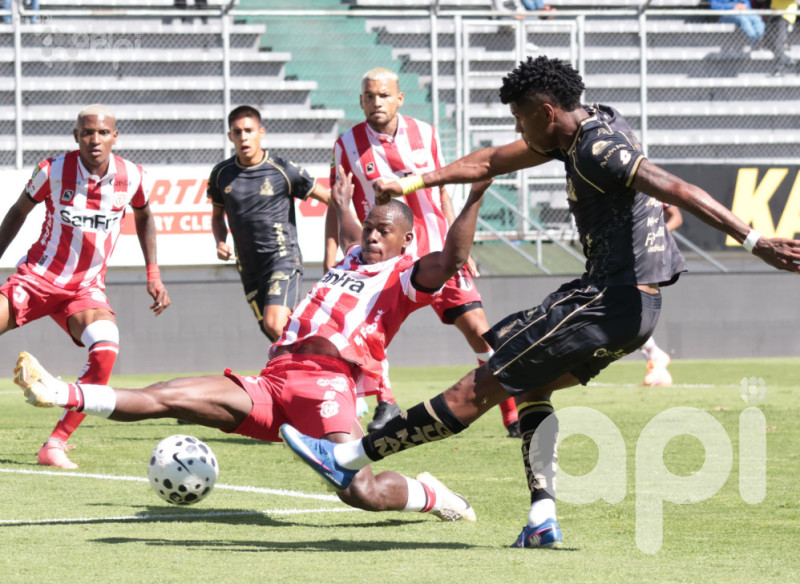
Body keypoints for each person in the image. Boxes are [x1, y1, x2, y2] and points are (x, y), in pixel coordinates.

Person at [277, 56, 800, 549]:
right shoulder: (579, 130)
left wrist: (756, 241)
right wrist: (414, 180)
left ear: (546, 112)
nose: (518, 131)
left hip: (605, 299)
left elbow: (674, 186)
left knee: (479, 386)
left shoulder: (595, 147)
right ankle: (541, 516)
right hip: (631, 309)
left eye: (521, 119)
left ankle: (349, 455)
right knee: (533, 388)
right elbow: (488, 161)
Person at [14, 169, 493, 522]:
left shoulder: (406, 275)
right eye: (369, 226)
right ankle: (62, 393)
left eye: (382, 230)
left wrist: (472, 197)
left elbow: (452, 257)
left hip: (326, 387)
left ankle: (431, 495)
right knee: (168, 396)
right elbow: (351, 232)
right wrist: (343, 207)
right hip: (272, 382)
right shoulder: (353, 256)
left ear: (405, 241)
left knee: (361, 493)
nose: (370, 234)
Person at [329, 67, 520, 438]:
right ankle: (385, 404)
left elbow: (443, 192)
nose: (376, 102)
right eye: (369, 95)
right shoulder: (346, 144)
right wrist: (333, 252)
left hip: (435, 251)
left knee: (480, 331)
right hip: (385, 261)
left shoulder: (426, 134)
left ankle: (511, 412)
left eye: (384, 95)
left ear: (399, 98)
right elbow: (338, 203)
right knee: (369, 332)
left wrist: (461, 248)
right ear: (361, 100)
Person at [0, 104, 170, 469]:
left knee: (106, 349)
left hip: (85, 289)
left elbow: (145, 218)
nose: (95, 139)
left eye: (103, 132)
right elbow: (17, 212)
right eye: (87, 132)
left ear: (114, 136)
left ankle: (55, 444)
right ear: (76, 136)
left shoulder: (133, 176)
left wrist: (153, 273)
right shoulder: (52, 170)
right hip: (38, 278)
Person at [208, 105, 333, 341]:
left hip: (281, 259)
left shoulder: (283, 170)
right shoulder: (221, 174)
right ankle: (307, 368)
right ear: (230, 136)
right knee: (275, 333)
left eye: (249, 130)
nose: (244, 137)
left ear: (261, 132)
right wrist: (220, 241)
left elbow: (331, 200)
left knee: (275, 323)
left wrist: (342, 240)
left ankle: (321, 362)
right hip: (248, 266)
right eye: (237, 132)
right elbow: (217, 216)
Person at [641, 204, 682, 387]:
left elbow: (676, 216)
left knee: (627, 308)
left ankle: (655, 355)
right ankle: (655, 355)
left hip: (645, 256)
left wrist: (657, 234)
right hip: (623, 253)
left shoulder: (652, 187)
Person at [767, 0, 798, 76]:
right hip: (774, 12)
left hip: (785, 14)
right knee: (768, 42)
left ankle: (780, 69)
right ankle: (791, 61)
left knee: (779, 43)